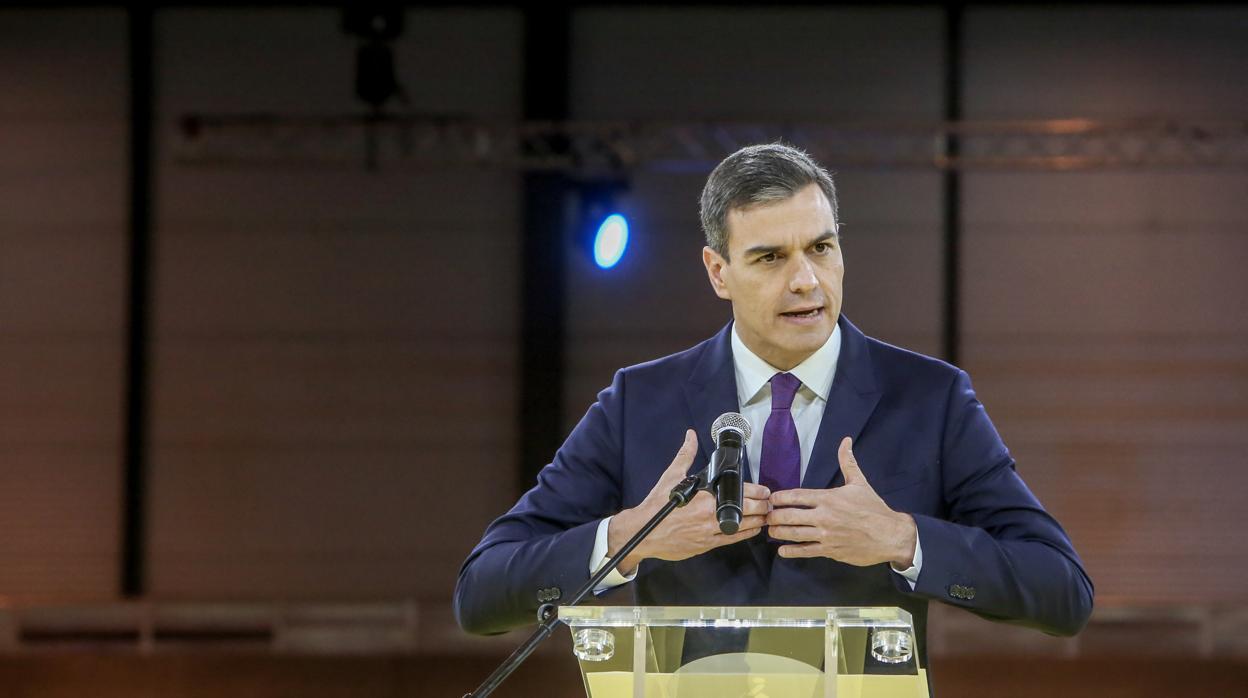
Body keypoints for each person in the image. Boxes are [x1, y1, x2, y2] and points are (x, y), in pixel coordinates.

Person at [453, 143, 1094, 670]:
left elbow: (1062, 590)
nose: (806, 280)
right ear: (719, 272)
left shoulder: (930, 399)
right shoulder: (638, 403)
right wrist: (629, 540)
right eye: (770, 257)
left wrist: (902, 540)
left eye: (821, 248)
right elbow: (482, 594)